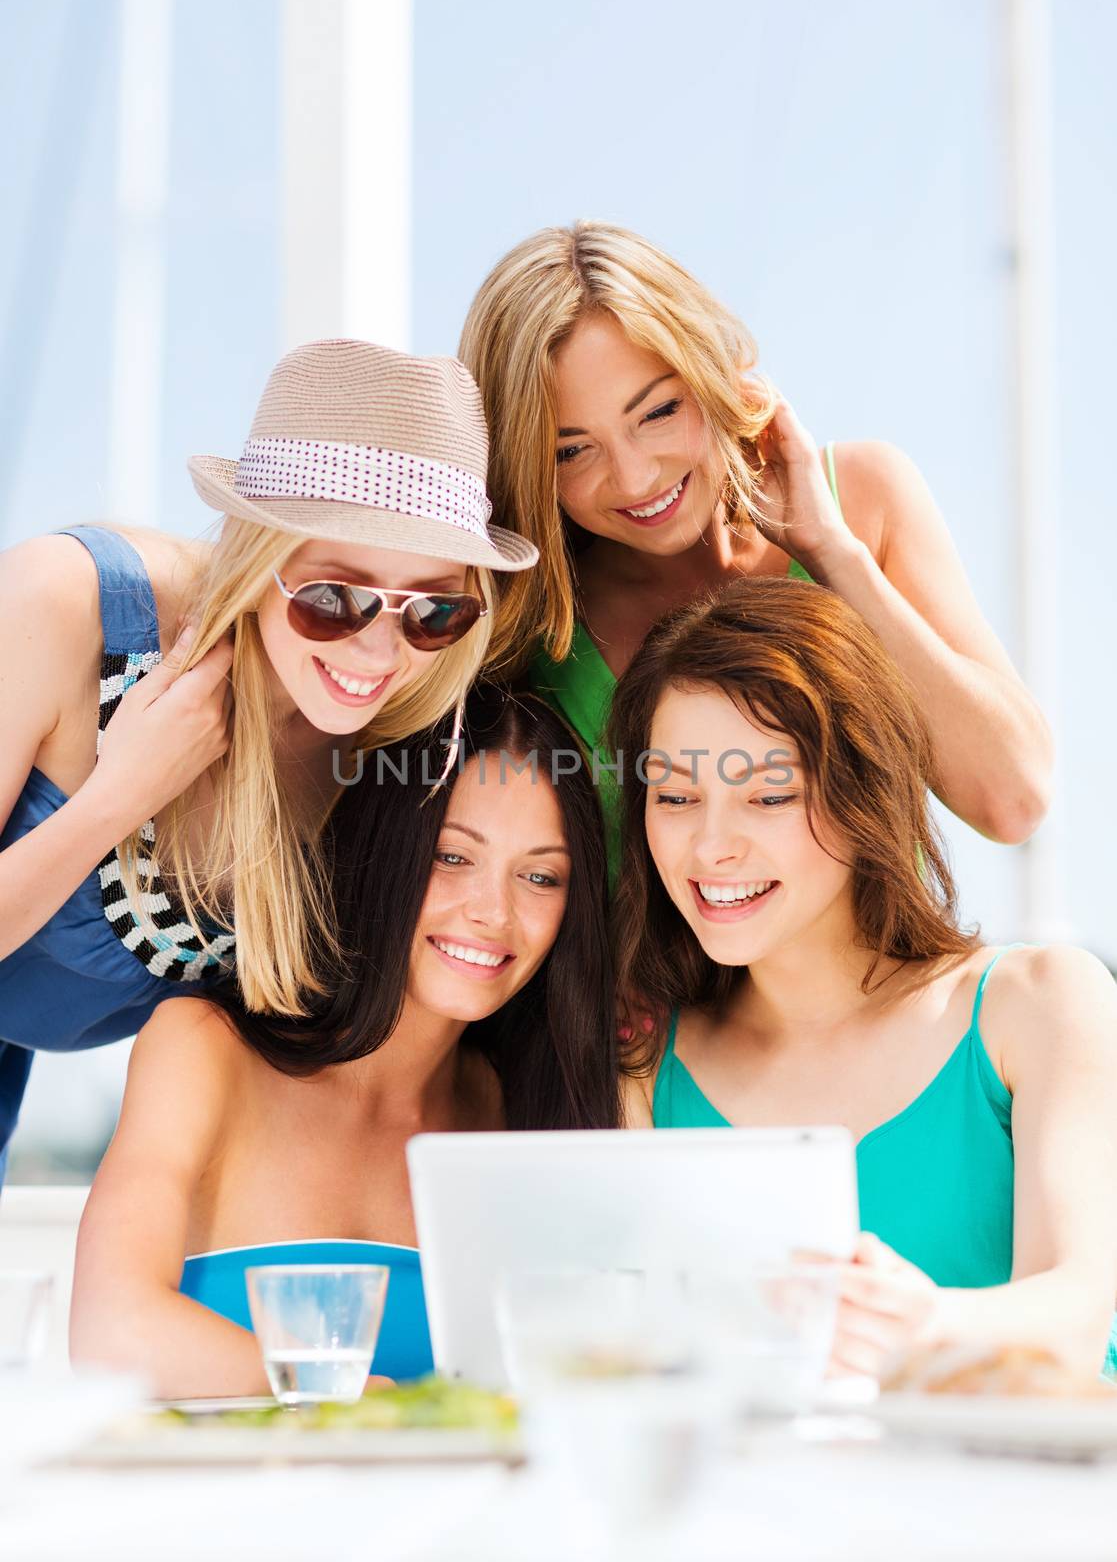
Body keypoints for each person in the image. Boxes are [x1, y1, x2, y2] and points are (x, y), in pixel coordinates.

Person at [0, 340, 538, 1179]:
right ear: (257, 561)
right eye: (333, 598)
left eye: (433, 610)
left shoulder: (394, 746)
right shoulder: (64, 605)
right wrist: (121, 794)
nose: (377, 651)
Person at [610, 576, 1117, 1381]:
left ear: (864, 795)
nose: (709, 848)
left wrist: (921, 1322)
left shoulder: (1039, 1001)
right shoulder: (644, 1061)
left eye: (768, 795)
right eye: (674, 796)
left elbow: (1077, 1316)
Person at [70, 690, 617, 1397]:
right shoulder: (206, 1047)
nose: (493, 912)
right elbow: (112, 1333)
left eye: (541, 876)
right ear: (386, 849)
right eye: (453, 857)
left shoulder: (527, 1111)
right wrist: (383, 1409)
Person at [459, 220, 1051, 861]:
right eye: (571, 450)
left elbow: (1012, 798)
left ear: (714, 376)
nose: (634, 477)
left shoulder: (863, 501)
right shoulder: (530, 617)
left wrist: (832, 555)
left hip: (873, 963)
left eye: (658, 412)